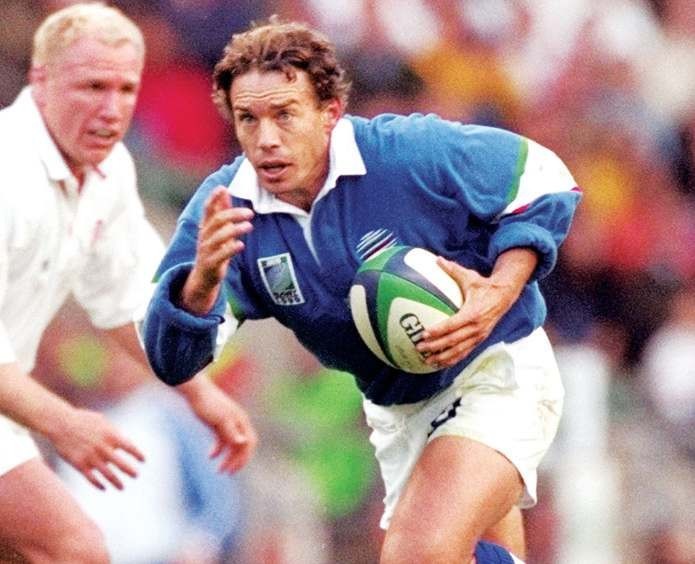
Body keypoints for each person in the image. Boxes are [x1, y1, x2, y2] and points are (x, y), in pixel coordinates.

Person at [142, 16, 581, 564]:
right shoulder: (225, 211)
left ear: (330, 112)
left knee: (416, 554)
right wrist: (201, 284)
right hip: (399, 410)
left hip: (496, 370)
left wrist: (499, 290)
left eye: (285, 114)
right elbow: (170, 360)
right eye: (248, 119)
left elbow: (542, 176)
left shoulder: (402, 153)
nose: (266, 138)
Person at [0, 4, 256, 563]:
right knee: (73, 547)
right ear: (40, 80)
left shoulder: (110, 171)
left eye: (126, 89)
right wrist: (65, 423)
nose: (112, 109)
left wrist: (201, 395)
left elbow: (128, 305)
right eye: (92, 87)